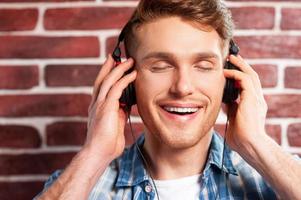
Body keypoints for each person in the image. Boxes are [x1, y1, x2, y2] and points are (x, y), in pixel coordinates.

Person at [35, 0, 301, 199]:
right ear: (126, 80)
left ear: (230, 80)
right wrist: (95, 154)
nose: (183, 87)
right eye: (161, 65)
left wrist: (256, 144)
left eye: (203, 65)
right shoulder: (80, 185)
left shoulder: (278, 177)